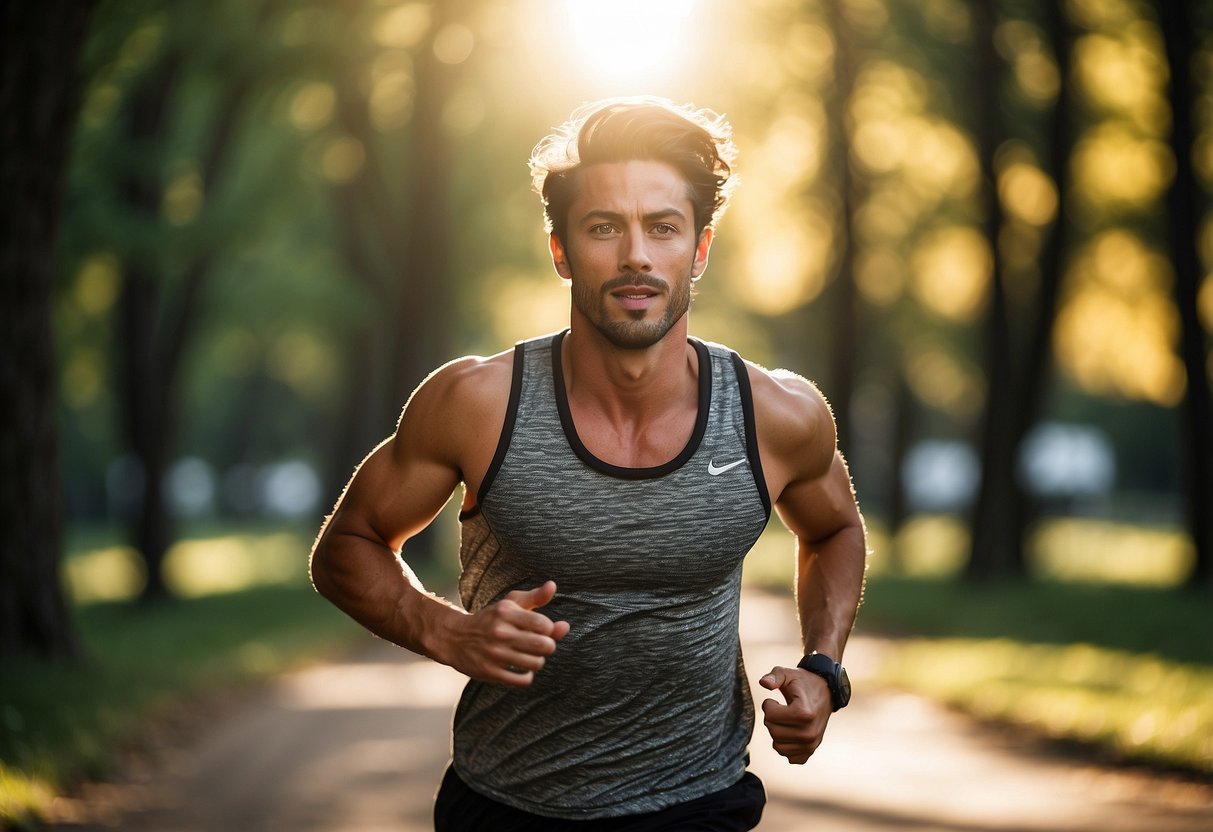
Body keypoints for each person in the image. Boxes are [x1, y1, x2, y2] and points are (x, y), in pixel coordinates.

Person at [309, 96, 868, 831]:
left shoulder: (777, 415)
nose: (635, 254)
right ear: (561, 250)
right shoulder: (476, 403)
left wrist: (823, 669)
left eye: (662, 228)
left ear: (697, 250)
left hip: (697, 804)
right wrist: (444, 631)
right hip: (505, 806)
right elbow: (345, 547)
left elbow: (834, 532)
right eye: (604, 227)